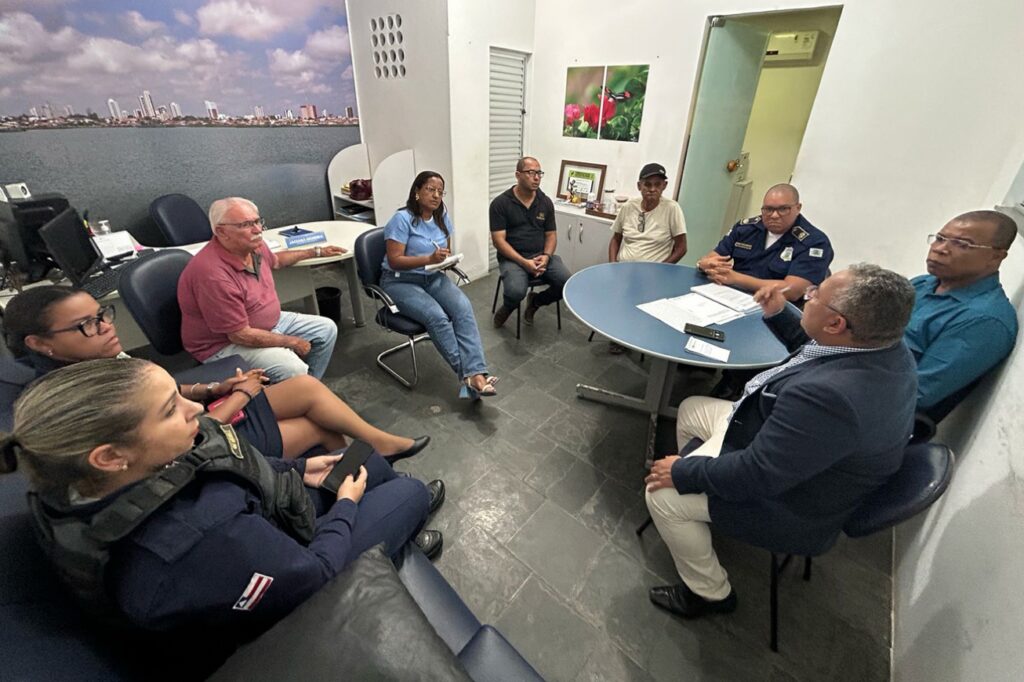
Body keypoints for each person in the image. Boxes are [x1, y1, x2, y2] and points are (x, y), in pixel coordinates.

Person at [0, 358, 443, 646]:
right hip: (289, 580)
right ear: (111, 456)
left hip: (262, 522)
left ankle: (390, 530)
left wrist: (294, 470)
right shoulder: (194, 540)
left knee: (369, 465)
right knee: (408, 492)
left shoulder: (70, 479)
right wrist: (345, 505)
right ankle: (398, 538)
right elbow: (312, 577)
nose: (196, 410)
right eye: (170, 410)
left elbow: (217, 466)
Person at [645, 264, 917, 619]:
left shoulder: (829, 398)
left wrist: (684, 473)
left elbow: (759, 474)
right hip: (782, 446)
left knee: (661, 496)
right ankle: (703, 514)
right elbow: (818, 351)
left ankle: (709, 592)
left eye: (816, 295)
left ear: (836, 323)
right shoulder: (883, 348)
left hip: (793, 503)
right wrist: (778, 313)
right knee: (694, 408)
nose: (808, 296)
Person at [0, 286, 433, 466]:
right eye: (87, 325)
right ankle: (369, 478)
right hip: (193, 447)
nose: (107, 326)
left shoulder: (92, 363)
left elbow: (171, 392)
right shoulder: (79, 398)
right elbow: (183, 433)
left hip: (201, 415)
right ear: (40, 344)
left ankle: (375, 454)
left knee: (304, 386)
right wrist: (241, 396)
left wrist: (213, 387)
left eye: (102, 315)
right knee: (314, 424)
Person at [178, 197, 346, 383]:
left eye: (257, 221)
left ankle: (309, 388)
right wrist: (291, 341)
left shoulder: (252, 247)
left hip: (266, 324)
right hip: (225, 344)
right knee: (293, 368)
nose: (257, 230)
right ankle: (294, 395)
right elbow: (239, 334)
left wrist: (316, 252)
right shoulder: (212, 274)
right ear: (221, 231)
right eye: (246, 224)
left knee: (326, 329)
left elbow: (276, 260)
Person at [380, 171, 498, 398]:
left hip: (432, 276)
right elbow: (395, 260)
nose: (436, 196)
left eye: (440, 192)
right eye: (430, 190)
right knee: (437, 316)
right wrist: (429, 259)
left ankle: (474, 376)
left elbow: (443, 251)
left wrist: (445, 258)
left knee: (463, 308)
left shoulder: (441, 217)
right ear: (416, 192)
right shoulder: (401, 219)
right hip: (400, 281)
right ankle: (471, 376)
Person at [907, 210, 1018, 416]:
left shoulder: (984, 320)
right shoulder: (923, 284)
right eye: (940, 239)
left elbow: (916, 395)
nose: (940, 249)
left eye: (962, 244)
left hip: (874, 414)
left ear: (996, 256)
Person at [697, 184, 832, 302]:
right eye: (768, 209)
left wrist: (736, 278)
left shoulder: (815, 242)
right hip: (730, 297)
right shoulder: (746, 229)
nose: (774, 215)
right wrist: (704, 263)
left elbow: (792, 290)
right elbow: (713, 258)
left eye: (783, 209)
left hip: (775, 307)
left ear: (798, 208)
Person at [606, 162, 688, 353]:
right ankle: (620, 334)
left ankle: (637, 337)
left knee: (641, 303)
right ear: (639, 186)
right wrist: (612, 266)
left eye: (657, 185)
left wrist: (661, 269)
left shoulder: (672, 209)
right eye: (647, 184)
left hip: (653, 275)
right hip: (624, 271)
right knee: (617, 299)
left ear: (664, 186)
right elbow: (615, 239)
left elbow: (682, 248)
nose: (652, 189)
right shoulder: (628, 207)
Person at [489, 156, 571, 329]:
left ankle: (536, 302)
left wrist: (547, 257)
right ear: (518, 175)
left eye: (539, 173)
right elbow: (498, 241)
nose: (536, 177)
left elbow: (551, 235)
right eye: (531, 173)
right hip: (513, 258)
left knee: (567, 284)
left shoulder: (545, 202)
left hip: (541, 257)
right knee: (516, 291)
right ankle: (508, 307)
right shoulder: (500, 204)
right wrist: (524, 262)